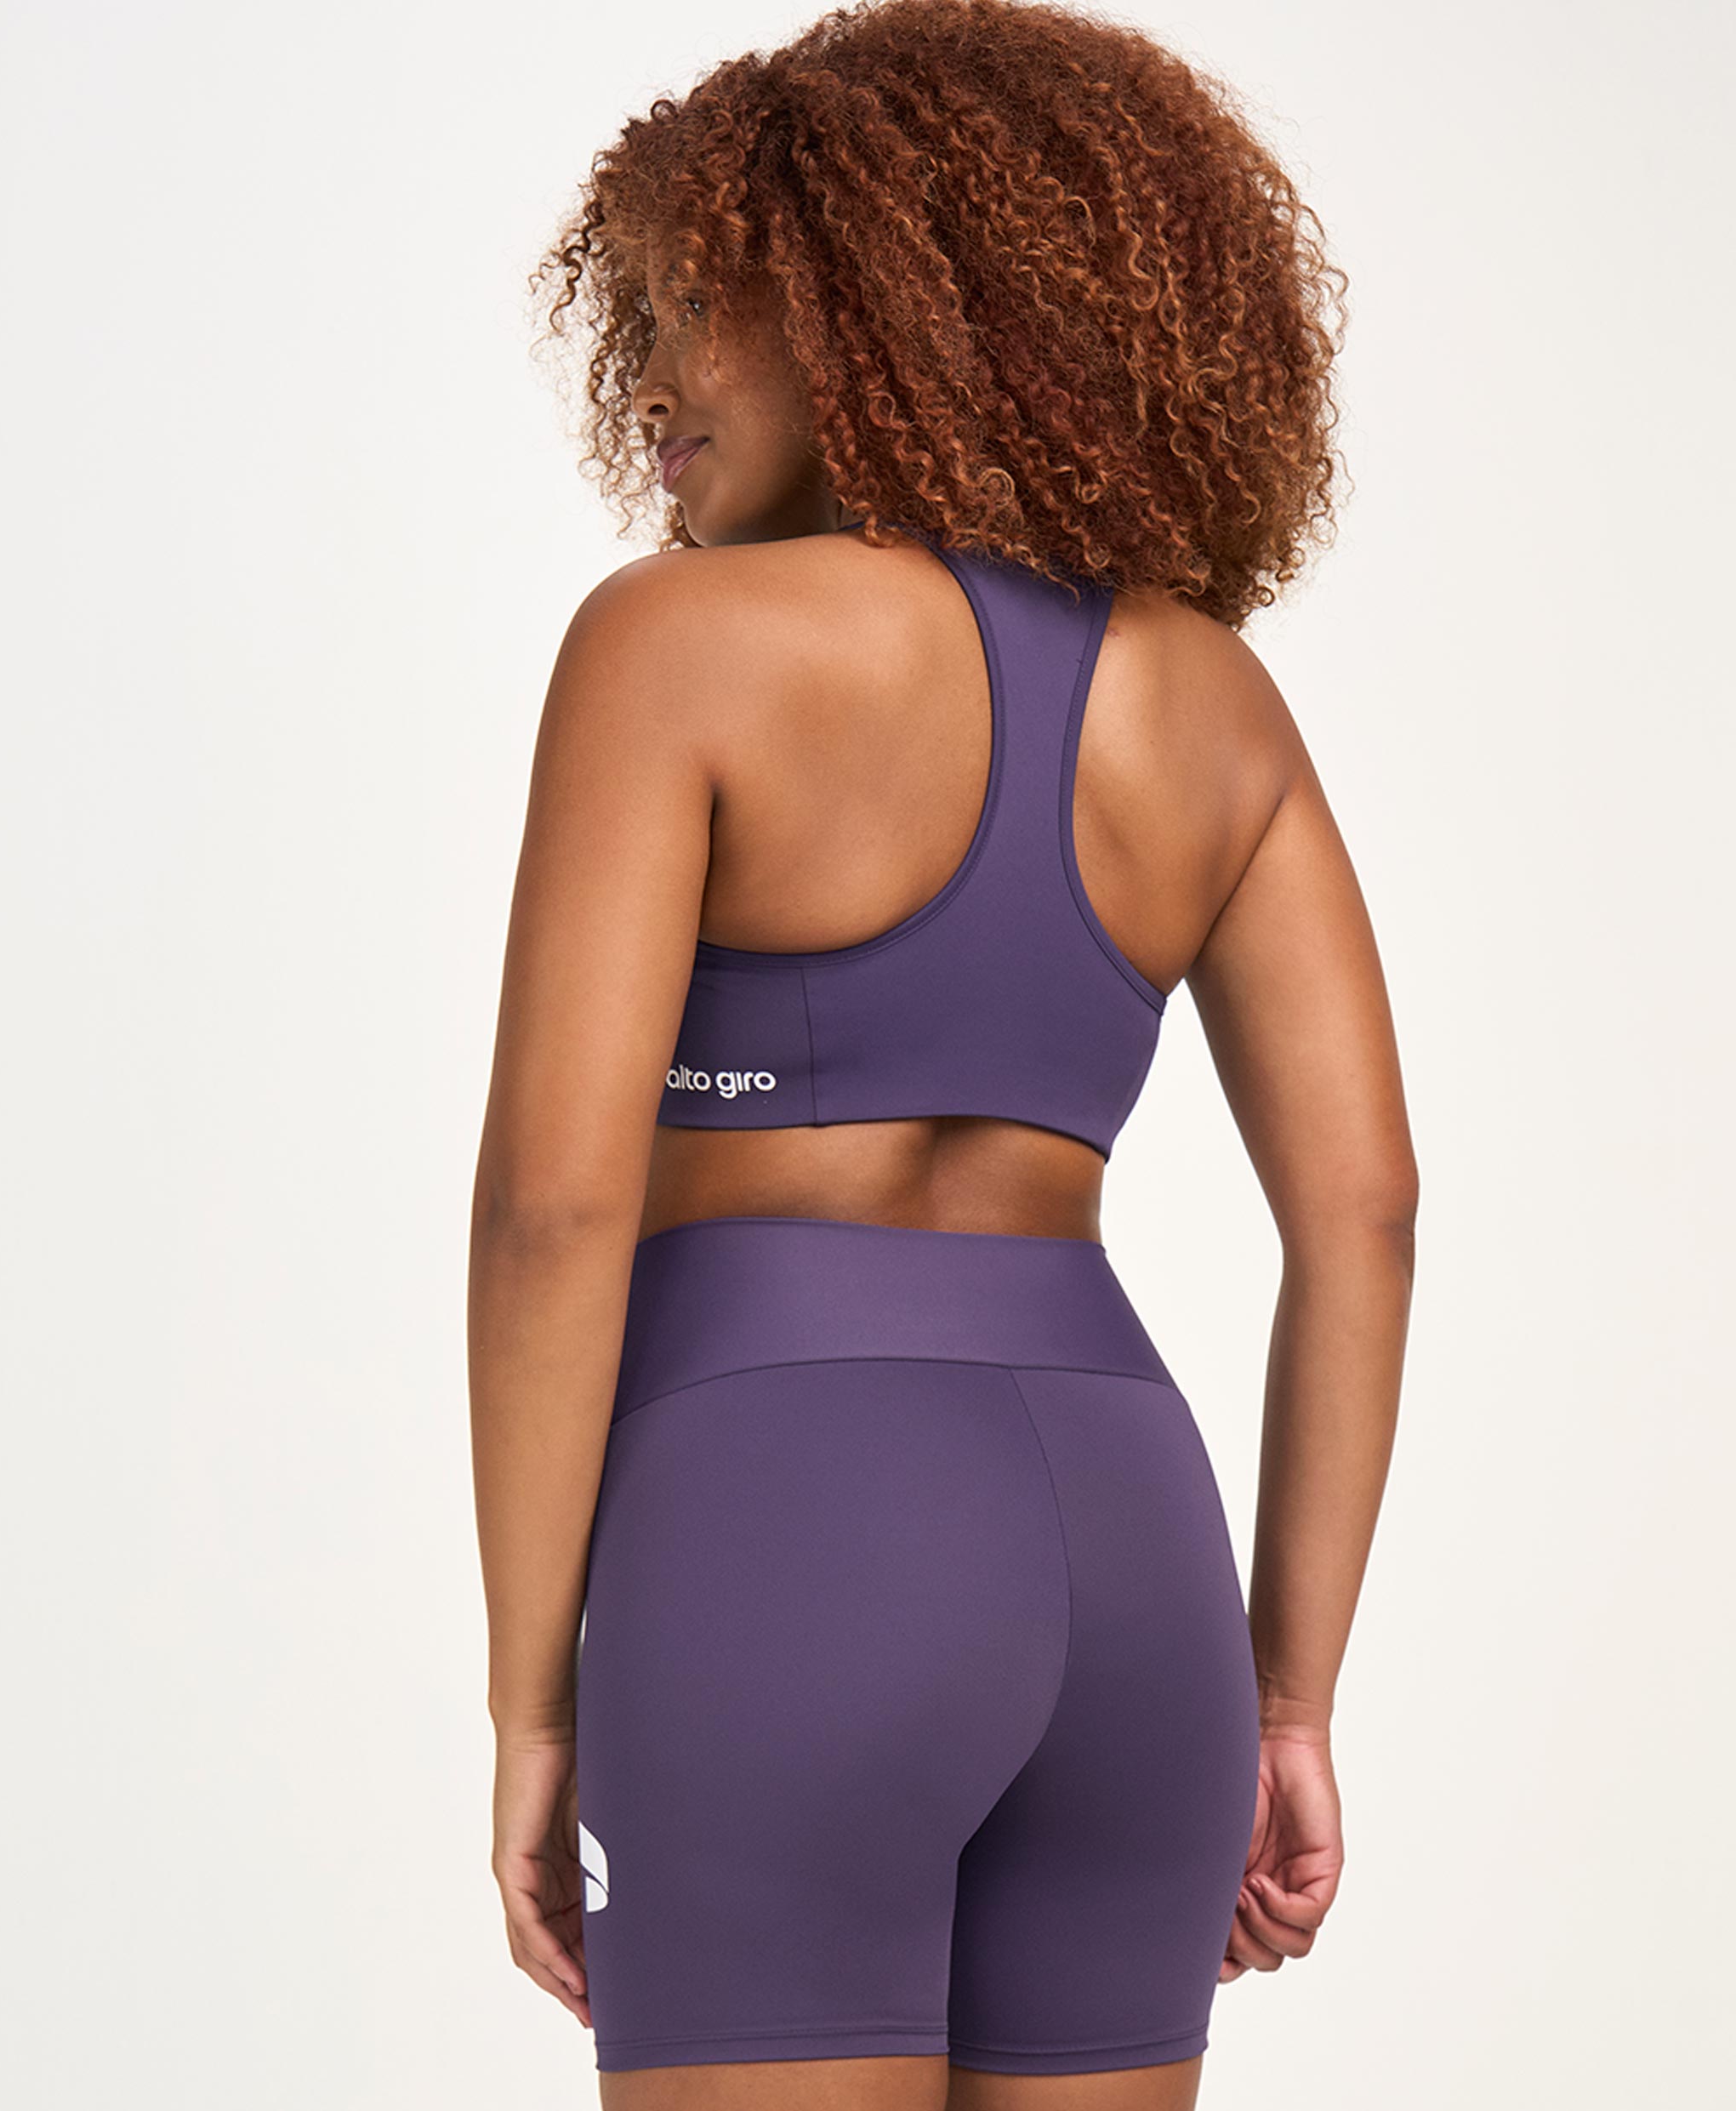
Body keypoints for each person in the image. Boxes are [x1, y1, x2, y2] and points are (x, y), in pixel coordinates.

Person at [469, 1, 1417, 2104]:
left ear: (861, 295)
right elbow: (1365, 1211)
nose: (647, 382)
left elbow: (551, 1207)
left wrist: (534, 1704)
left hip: (780, 1523)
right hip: (1134, 1557)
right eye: (633, 321)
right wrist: (1286, 1695)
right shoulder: (1214, 704)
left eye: (691, 308)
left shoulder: (672, 645)